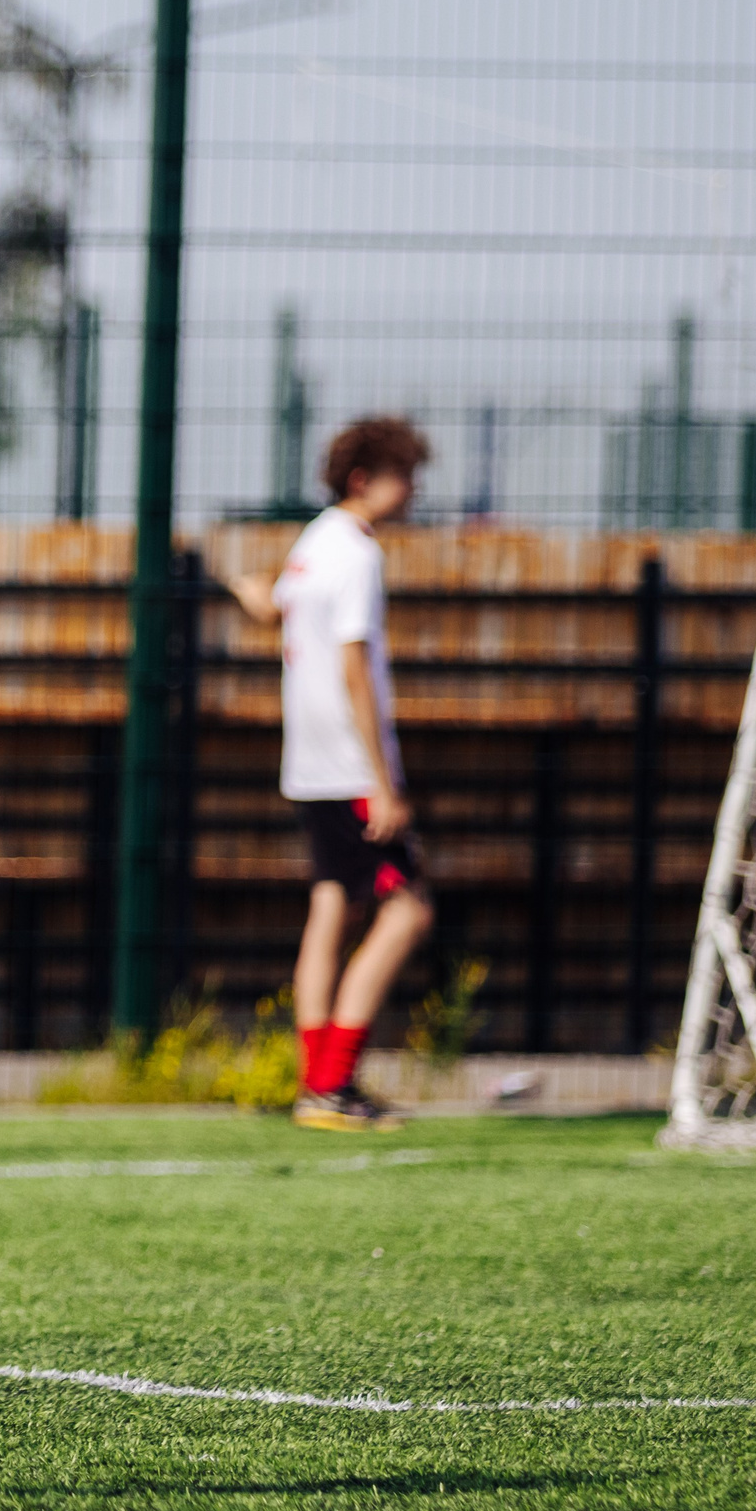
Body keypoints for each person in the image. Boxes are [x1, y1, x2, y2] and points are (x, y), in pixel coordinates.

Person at [226, 416, 436, 1133]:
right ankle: (330, 1082)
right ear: (363, 479)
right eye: (404, 476)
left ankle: (317, 1085)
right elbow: (354, 666)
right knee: (408, 912)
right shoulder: (358, 553)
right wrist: (384, 781)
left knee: (332, 908)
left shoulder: (313, 541)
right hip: (349, 767)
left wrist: (248, 587)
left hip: (308, 763)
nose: (413, 490)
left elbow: (271, 607)